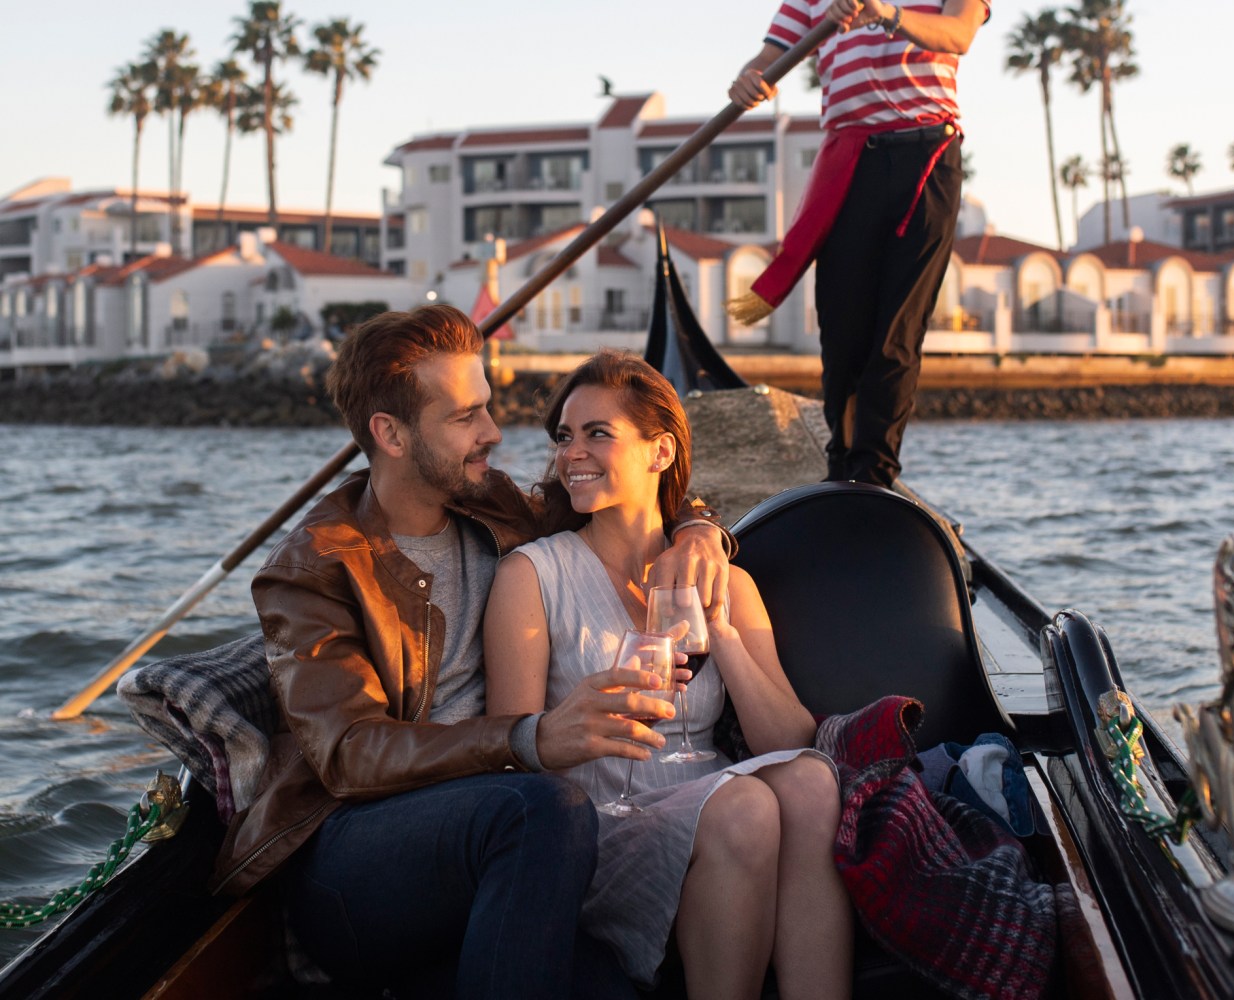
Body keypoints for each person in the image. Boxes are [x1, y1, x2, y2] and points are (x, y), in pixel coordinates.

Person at [212, 305, 732, 998]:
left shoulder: (494, 504)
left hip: (504, 838)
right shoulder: (314, 570)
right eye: (464, 418)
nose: (493, 433)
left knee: (614, 983)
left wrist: (698, 527)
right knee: (547, 807)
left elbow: (623, 494)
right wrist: (527, 737)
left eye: (486, 408)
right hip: (358, 861)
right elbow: (349, 754)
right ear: (390, 434)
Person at [483, 350, 851, 999]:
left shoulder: (724, 577)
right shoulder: (533, 577)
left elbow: (792, 739)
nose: (573, 454)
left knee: (812, 781)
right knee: (747, 808)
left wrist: (724, 634)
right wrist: (584, 722)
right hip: (597, 823)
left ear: (660, 451)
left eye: (598, 433)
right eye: (565, 436)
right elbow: (509, 754)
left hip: (719, 810)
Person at [727, 0, 990, 487]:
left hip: (927, 156)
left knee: (895, 334)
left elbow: (959, 35)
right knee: (842, 332)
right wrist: (749, 79)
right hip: (850, 163)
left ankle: (873, 474)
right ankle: (841, 464)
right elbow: (768, 58)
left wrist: (887, 13)